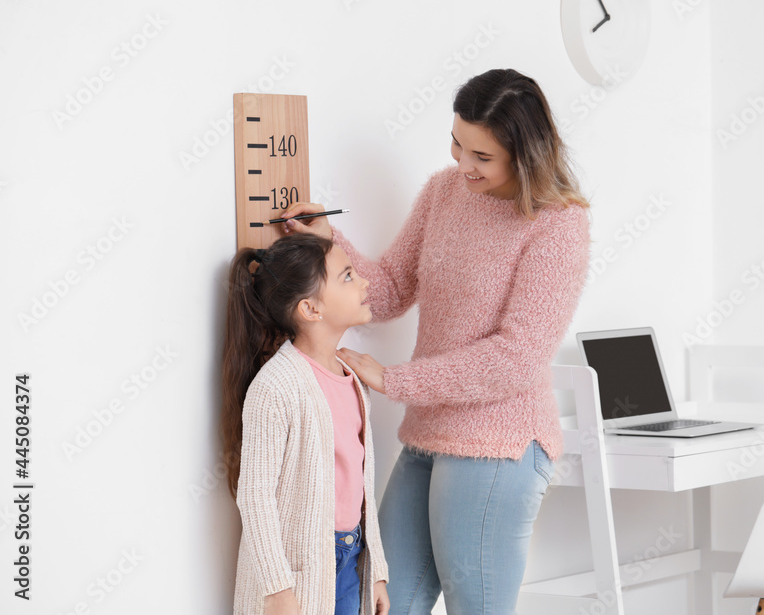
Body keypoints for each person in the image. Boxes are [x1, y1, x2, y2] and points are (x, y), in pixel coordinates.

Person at [282, 68, 591, 613]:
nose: (462, 165)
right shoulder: (443, 192)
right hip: (428, 434)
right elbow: (394, 289)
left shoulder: (557, 226)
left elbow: (515, 359)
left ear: (526, 154)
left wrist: (395, 379)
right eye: (457, 143)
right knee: (379, 604)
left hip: (499, 442)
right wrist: (331, 241)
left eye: (482, 157)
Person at [221, 233, 390, 615]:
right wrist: (277, 588)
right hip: (298, 572)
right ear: (310, 309)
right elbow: (254, 495)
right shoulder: (277, 386)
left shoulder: (352, 377)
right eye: (347, 276)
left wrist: (375, 568)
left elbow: (362, 487)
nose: (363, 281)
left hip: (349, 556)